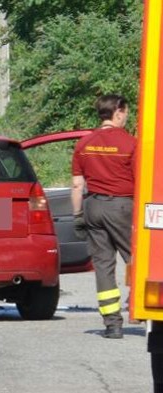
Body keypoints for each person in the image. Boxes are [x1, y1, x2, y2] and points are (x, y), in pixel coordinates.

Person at [71, 94, 136, 339]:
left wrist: (77, 215)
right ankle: (140, 306)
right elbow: (142, 182)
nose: (126, 117)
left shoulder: (84, 144)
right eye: (126, 113)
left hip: (93, 206)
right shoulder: (131, 143)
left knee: (104, 267)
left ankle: (112, 324)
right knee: (137, 258)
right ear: (118, 112)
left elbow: (77, 185)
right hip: (121, 207)